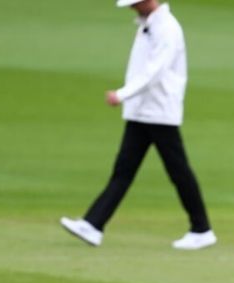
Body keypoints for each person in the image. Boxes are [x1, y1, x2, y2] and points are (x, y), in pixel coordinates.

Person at [60, 0, 216, 250]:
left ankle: (202, 228)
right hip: (142, 112)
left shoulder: (167, 28)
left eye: (136, 4)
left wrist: (122, 95)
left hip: (159, 110)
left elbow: (155, 72)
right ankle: (93, 225)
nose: (133, 9)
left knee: (178, 171)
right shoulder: (149, 26)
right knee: (124, 170)